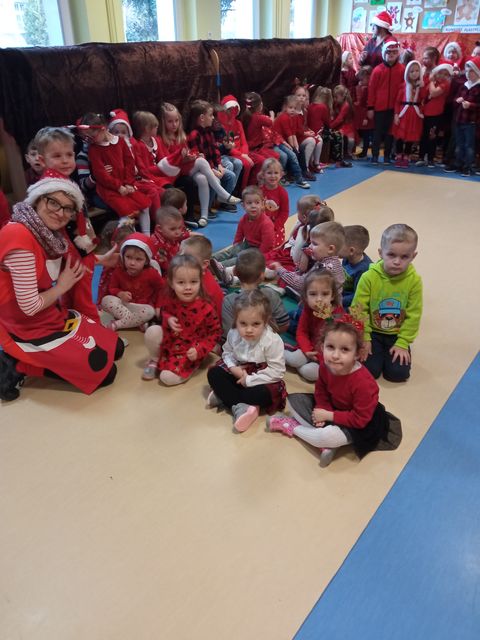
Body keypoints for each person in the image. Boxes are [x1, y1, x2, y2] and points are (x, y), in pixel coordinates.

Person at [0, 173, 123, 401]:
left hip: (49, 313)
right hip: (25, 324)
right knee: (106, 374)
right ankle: (18, 363)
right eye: (53, 202)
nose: (60, 213)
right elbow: (29, 306)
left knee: (116, 348)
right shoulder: (18, 235)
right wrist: (62, 287)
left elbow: (71, 263)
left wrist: (100, 260)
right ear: (38, 199)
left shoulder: (47, 233)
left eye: (68, 208)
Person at [268, 317, 401, 467]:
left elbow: (360, 419)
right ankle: (325, 444)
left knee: (329, 435)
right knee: (293, 402)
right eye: (330, 347)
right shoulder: (325, 366)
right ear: (322, 347)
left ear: (357, 354)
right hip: (333, 407)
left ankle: (292, 426)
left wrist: (328, 415)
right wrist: (322, 407)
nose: (335, 355)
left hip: (359, 421)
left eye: (345, 350)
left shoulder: (364, 383)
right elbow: (321, 390)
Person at [207, 289, 286, 432]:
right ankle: (244, 406)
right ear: (236, 320)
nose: (249, 330)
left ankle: (226, 397)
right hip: (239, 371)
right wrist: (233, 368)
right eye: (243, 323)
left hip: (262, 377)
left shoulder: (272, 340)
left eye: (256, 324)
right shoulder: (233, 333)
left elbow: (277, 371)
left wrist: (249, 380)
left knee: (263, 394)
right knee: (214, 373)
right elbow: (227, 353)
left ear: (265, 321)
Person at [353, 223, 422, 383]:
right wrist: (365, 337)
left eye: (404, 257)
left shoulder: (414, 281)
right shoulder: (369, 277)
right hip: (372, 332)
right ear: (381, 253)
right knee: (370, 372)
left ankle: (391, 353)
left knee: (398, 374)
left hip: (397, 334)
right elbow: (358, 309)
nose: (397, 261)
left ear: (413, 256)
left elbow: (414, 314)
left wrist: (403, 343)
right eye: (391, 255)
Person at [142, 254, 221, 384]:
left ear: (200, 281)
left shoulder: (206, 307)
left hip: (191, 349)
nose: (188, 287)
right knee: (152, 331)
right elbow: (165, 312)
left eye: (193, 282)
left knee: (166, 378)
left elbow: (215, 333)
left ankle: (194, 365)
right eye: (181, 282)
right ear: (171, 283)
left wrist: (199, 350)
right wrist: (168, 318)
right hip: (171, 342)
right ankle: (155, 361)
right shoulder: (170, 299)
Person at [80, 112, 152, 233]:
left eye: (92, 136)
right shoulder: (94, 149)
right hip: (109, 189)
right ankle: (132, 239)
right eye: (87, 138)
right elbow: (100, 173)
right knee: (126, 210)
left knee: (144, 205)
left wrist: (128, 183)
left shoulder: (120, 141)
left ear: (103, 129)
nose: (89, 140)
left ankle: (146, 236)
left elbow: (129, 163)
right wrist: (118, 186)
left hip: (125, 184)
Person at [131, 109, 198, 228]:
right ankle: (171, 223)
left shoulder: (157, 140)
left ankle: (186, 217)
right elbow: (144, 169)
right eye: (155, 126)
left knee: (188, 182)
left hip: (163, 176)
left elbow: (165, 159)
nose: (157, 128)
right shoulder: (139, 145)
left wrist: (180, 157)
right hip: (152, 179)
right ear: (147, 129)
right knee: (171, 194)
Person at [284, 269, 343, 382]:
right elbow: (302, 332)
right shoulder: (308, 309)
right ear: (306, 297)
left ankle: (302, 367)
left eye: (325, 294)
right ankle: (282, 352)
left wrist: (319, 358)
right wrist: (307, 349)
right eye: (313, 294)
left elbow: (337, 346)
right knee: (294, 360)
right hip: (309, 347)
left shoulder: (338, 315)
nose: (319, 299)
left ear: (332, 296)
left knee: (309, 372)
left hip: (326, 358)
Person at [243, 91, 310, 188]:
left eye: (294, 108)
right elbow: (271, 123)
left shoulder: (256, 117)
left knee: (284, 155)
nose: (293, 110)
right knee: (279, 156)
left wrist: (288, 144)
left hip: (273, 142)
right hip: (258, 148)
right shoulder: (259, 118)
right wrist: (272, 115)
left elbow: (281, 133)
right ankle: (257, 184)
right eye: (290, 107)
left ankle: (285, 178)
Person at [186, 100, 241, 216]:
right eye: (211, 115)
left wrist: (219, 164)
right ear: (202, 118)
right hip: (202, 169)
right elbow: (199, 158)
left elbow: (215, 151)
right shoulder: (194, 135)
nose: (213, 118)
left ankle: (222, 200)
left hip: (212, 166)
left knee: (231, 176)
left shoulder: (209, 132)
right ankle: (207, 207)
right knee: (216, 179)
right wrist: (213, 170)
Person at [100, 233, 164, 331]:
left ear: (146, 261)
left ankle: (117, 324)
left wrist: (158, 306)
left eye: (138, 259)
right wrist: (120, 293)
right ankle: (136, 322)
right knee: (105, 300)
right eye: (128, 257)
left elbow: (162, 289)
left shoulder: (151, 273)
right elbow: (112, 288)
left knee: (150, 311)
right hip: (124, 305)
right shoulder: (118, 271)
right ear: (123, 256)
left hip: (141, 307)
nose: (132, 263)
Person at [221, 248, 289, 339]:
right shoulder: (271, 294)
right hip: (268, 343)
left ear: (235, 272)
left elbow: (228, 334)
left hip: (239, 345)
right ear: (262, 275)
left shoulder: (228, 301)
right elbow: (284, 324)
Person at [272, 220, 345, 297]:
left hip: (323, 303)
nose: (310, 246)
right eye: (310, 243)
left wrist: (280, 269)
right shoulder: (329, 262)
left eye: (314, 244)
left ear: (330, 249)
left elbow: (300, 283)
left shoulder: (325, 268)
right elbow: (306, 276)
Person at [265, 194, 329, 275]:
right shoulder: (304, 223)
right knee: (269, 256)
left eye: (298, 212)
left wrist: (292, 257)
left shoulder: (305, 231)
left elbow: (297, 250)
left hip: (292, 258)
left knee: (276, 263)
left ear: (304, 217)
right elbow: (292, 235)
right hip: (288, 249)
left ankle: (270, 270)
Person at [213, 186, 275, 267]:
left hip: (259, 250)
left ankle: (220, 266)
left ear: (262, 204)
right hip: (247, 244)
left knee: (240, 259)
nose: (253, 206)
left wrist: (257, 258)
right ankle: (211, 259)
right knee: (230, 252)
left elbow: (267, 246)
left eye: (257, 202)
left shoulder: (266, 224)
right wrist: (235, 249)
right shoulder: (243, 219)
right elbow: (238, 237)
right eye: (249, 203)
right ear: (243, 206)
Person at [367, 40, 405, 164]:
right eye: (389, 52)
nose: (391, 54)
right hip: (379, 108)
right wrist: (370, 107)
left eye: (394, 52)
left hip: (394, 108)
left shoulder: (402, 69)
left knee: (390, 133)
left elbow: (404, 88)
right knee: (377, 133)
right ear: (384, 53)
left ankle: (387, 156)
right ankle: (375, 156)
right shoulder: (377, 70)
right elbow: (371, 90)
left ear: (397, 53)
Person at [445, 56, 480, 177]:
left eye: (472, 71)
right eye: (467, 71)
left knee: (469, 146)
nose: (469, 74)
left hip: (470, 122)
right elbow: (455, 101)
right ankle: (458, 163)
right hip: (459, 120)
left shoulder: (478, 87)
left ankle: (467, 166)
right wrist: (457, 101)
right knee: (459, 144)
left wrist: (470, 105)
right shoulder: (464, 86)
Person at [216, 94, 259, 190]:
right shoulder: (221, 126)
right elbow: (228, 147)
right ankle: (240, 190)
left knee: (260, 160)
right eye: (230, 109)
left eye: (234, 109)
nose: (232, 112)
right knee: (245, 164)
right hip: (232, 153)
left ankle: (250, 187)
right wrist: (242, 155)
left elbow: (244, 142)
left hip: (242, 153)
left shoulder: (238, 123)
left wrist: (245, 154)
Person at [416, 63, 453, 167]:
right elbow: (423, 94)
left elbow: (434, 93)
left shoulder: (445, 84)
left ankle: (430, 158)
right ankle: (421, 157)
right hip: (425, 113)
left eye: (445, 74)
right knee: (423, 135)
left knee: (432, 136)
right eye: (440, 73)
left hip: (436, 114)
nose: (442, 76)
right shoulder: (432, 82)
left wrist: (431, 81)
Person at [180, 235, 224, 321]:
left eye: (188, 259)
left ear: (204, 264)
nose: (181, 261)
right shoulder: (197, 273)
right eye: (180, 256)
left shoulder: (203, 287)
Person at [392, 60, 425, 168]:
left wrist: (422, 87)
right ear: (407, 73)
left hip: (414, 114)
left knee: (411, 136)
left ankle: (406, 155)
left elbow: (424, 98)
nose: (414, 73)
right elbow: (397, 102)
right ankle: (398, 155)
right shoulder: (403, 86)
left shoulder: (421, 86)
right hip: (403, 113)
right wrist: (396, 114)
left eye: (417, 71)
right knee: (400, 136)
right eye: (412, 71)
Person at [293, 83, 324, 177]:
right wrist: (306, 133)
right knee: (311, 141)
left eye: (304, 96)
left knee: (319, 139)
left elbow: (304, 125)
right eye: (299, 95)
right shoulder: (292, 111)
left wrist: (310, 131)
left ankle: (315, 163)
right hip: (295, 138)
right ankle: (304, 167)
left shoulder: (304, 111)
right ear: (294, 97)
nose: (302, 98)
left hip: (303, 134)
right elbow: (294, 130)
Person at [258, 158, 289, 247]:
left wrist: (275, 226)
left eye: (276, 173)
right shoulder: (259, 191)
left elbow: (285, 212)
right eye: (269, 173)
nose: (273, 176)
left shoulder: (282, 192)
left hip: (275, 226)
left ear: (281, 175)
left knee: (270, 244)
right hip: (261, 224)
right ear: (263, 175)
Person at [151, 205, 190, 273]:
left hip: (175, 261)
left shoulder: (170, 234)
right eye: (173, 229)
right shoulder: (156, 243)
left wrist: (190, 235)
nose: (178, 232)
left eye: (180, 227)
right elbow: (164, 266)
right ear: (159, 229)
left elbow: (182, 235)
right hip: (166, 272)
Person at [340, 225, 372, 308]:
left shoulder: (364, 270)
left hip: (349, 306)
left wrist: (338, 300)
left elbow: (357, 295)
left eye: (339, 245)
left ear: (351, 250)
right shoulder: (346, 258)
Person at [331, 85, 356, 162]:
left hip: (347, 125)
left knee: (350, 140)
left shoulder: (346, 105)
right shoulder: (337, 104)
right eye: (334, 97)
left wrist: (330, 126)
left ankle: (349, 152)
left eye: (336, 97)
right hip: (340, 125)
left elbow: (339, 119)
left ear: (342, 96)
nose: (334, 99)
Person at [353, 66, 374, 158]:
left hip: (368, 114)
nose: (361, 81)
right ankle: (365, 151)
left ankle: (366, 152)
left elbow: (367, 104)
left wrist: (366, 117)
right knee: (366, 134)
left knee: (367, 134)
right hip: (364, 114)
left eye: (363, 79)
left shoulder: (368, 89)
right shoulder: (364, 87)